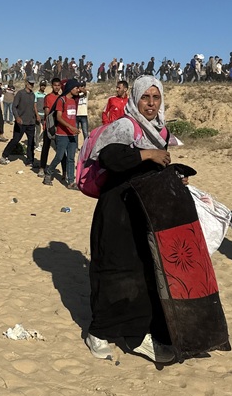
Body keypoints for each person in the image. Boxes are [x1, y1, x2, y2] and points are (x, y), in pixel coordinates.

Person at [83, 76, 178, 362]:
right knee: (112, 271)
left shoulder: (161, 130)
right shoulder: (125, 125)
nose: (150, 103)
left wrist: (174, 177)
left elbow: (154, 168)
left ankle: (138, 332)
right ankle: (98, 332)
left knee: (144, 271)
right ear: (135, 99)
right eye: (145, 97)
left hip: (143, 211)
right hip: (117, 212)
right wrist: (147, 154)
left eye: (155, 98)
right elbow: (111, 158)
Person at [43, 78, 81, 188]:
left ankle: (71, 182)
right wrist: (70, 127)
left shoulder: (74, 101)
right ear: (70, 88)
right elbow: (59, 117)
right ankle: (48, 173)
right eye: (76, 88)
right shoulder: (61, 100)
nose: (78, 90)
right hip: (62, 134)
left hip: (72, 135)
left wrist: (73, 129)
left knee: (71, 158)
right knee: (59, 157)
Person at [0, 77, 40, 167]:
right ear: (26, 83)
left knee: (31, 142)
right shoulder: (20, 94)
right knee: (15, 140)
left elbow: (33, 107)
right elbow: (14, 106)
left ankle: (30, 161)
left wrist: (37, 116)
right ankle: (4, 156)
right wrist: (17, 117)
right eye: (30, 83)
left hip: (31, 122)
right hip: (21, 123)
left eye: (33, 84)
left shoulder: (33, 95)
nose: (32, 85)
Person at [39, 78, 61, 174]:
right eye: (55, 85)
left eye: (58, 85)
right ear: (52, 86)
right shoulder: (48, 97)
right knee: (46, 147)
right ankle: (42, 167)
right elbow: (47, 112)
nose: (57, 87)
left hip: (59, 127)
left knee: (60, 149)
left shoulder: (61, 98)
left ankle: (64, 172)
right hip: (49, 126)